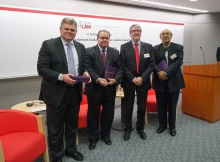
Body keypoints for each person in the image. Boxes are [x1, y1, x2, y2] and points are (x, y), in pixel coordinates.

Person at [37, 17, 90, 162]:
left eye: (72, 30)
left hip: (75, 92)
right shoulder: (48, 45)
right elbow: (41, 69)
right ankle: (57, 154)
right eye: (66, 29)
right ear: (60, 29)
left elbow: (82, 66)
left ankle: (71, 149)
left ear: (76, 32)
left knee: (72, 124)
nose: (69, 32)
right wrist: (62, 76)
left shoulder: (80, 47)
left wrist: (85, 72)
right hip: (55, 93)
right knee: (55, 127)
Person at [85, 30, 123, 150]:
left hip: (109, 89)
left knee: (108, 114)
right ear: (97, 38)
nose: (104, 40)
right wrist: (97, 79)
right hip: (94, 89)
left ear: (109, 39)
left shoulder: (115, 52)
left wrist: (115, 80)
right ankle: (93, 138)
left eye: (106, 38)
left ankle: (106, 136)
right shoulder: (89, 51)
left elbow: (120, 68)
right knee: (93, 115)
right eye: (102, 38)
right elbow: (87, 68)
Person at [120, 24, 154, 141]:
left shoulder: (148, 47)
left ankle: (140, 128)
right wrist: (133, 78)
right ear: (130, 33)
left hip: (143, 82)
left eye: (138, 31)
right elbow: (122, 66)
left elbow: (151, 65)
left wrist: (142, 78)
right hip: (129, 82)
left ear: (140, 33)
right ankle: (128, 129)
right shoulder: (124, 47)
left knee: (141, 106)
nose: (136, 33)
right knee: (128, 107)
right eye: (134, 31)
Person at [152, 29, 185, 137]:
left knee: (172, 105)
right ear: (160, 36)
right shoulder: (155, 49)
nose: (165, 35)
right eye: (163, 34)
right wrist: (159, 73)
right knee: (161, 105)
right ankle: (162, 126)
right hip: (159, 81)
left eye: (167, 34)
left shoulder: (178, 47)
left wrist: (166, 72)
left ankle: (172, 127)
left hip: (174, 81)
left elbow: (178, 62)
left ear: (171, 36)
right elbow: (152, 63)